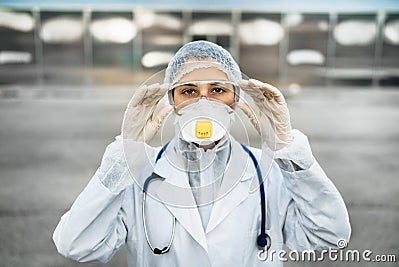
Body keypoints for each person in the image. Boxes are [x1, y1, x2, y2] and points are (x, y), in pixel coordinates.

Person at [53, 41, 351, 266]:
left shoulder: (271, 172)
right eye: (189, 91)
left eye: (218, 90)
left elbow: (330, 236)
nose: (204, 102)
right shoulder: (136, 175)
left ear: (235, 100)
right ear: (171, 102)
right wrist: (124, 154)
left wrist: (286, 146)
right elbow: (76, 245)